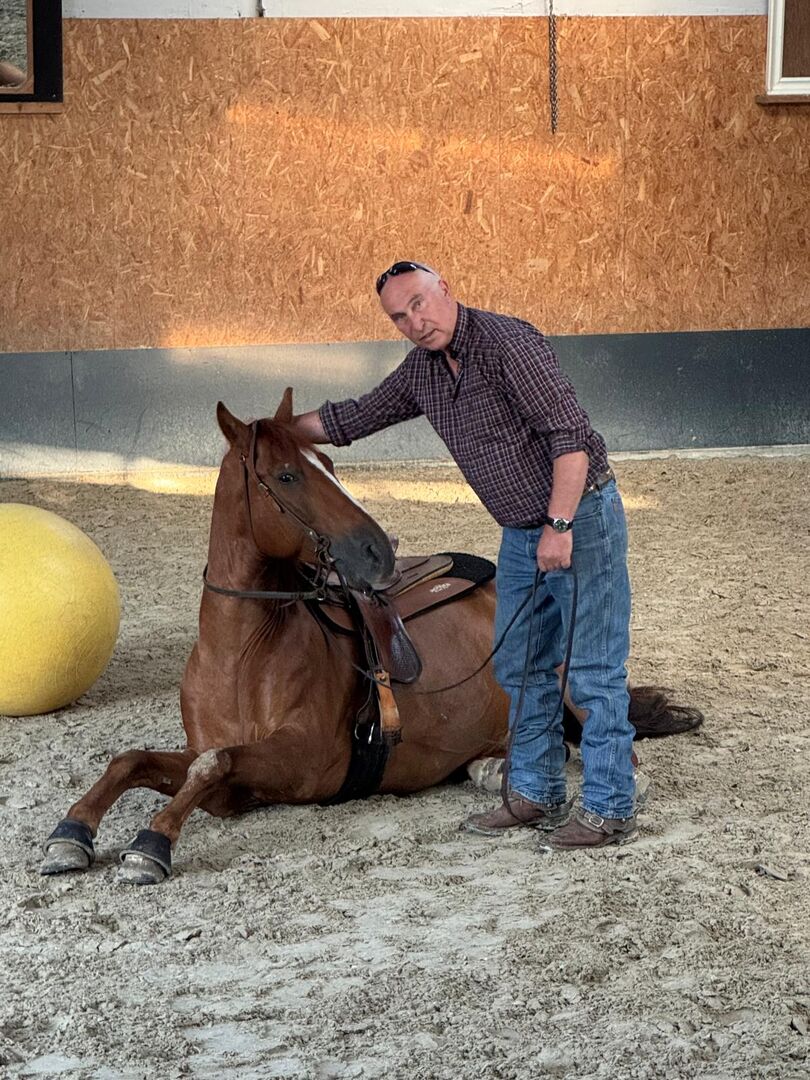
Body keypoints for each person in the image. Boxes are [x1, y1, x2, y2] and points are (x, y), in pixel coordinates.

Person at [292, 260, 636, 849]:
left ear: (444, 289)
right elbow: (354, 417)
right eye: (399, 317)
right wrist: (267, 430)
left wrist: (559, 526)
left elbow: (571, 438)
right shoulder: (423, 371)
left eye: (419, 303)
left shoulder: (507, 344)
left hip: (578, 518)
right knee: (519, 663)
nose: (414, 322)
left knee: (591, 668)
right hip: (519, 531)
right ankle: (536, 792)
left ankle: (609, 807)